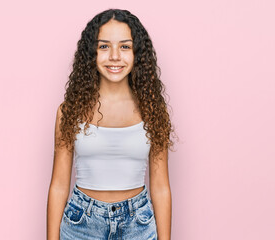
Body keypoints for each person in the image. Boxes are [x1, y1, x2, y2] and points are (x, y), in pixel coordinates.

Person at [47, 8, 178, 240]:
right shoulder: (68, 111)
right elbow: (58, 184)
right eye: (104, 46)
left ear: (137, 53)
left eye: (125, 46)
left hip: (139, 225)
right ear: (91, 53)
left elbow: (161, 187)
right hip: (81, 225)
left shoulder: (154, 111)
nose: (115, 56)